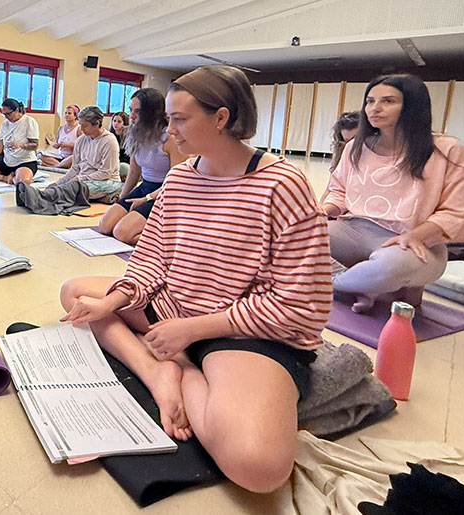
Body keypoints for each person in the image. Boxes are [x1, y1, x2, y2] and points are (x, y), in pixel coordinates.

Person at [59, 65, 332, 493]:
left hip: (238, 330)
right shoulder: (182, 177)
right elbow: (151, 258)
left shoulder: (281, 184)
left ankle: (184, 368)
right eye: (168, 119)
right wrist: (114, 301)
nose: (170, 131)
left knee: (259, 468)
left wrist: (192, 331)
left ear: (221, 118)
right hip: (174, 309)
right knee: (76, 293)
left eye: (179, 119)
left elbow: (303, 305)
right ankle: (159, 374)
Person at [321, 74, 464, 313]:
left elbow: (456, 210)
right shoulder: (355, 147)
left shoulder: (447, 149)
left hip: (413, 239)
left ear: (412, 106)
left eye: (388, 101)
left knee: (393, 266)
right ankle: (361, 285)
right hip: (354, 229)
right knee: (292, 237)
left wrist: (417, 236)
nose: (374, 108)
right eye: (370, 101)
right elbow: (338, 191)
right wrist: (321, 212)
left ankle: (335, 285)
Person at [98, 88, 188, 245]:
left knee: (122, 233)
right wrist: (122, 198)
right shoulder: (135, 133)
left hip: (164, 191)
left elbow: (176, 181)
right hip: (145, 186)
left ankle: (166, 239)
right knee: (105, 225)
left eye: (138, 111)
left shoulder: (170, 138)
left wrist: (146, 199)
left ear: (152, 112)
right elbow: (134, 172)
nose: (131, 116)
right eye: (131, 110)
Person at [46, 106, 122, 203]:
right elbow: (75, 169)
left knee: (74, 190)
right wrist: (57, 183)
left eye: (84, 126)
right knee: (61, 188)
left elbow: (106, 173)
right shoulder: (80, 140)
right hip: (83, 180)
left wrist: (80, 178)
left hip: (107, 181)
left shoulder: (109, 141)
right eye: (80, 125)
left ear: (97, 123)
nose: (81, 129)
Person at [0, 99, 40, 185]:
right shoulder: (5, 124)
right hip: (7, 162)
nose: (6, 117)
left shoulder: (29, 121)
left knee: (23, 182)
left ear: (16, 110)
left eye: (8, 114)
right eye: (4, 114)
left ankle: (16, 176)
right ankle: (7, 178)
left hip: (24, 162)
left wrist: (20, 145)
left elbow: (35, 145)